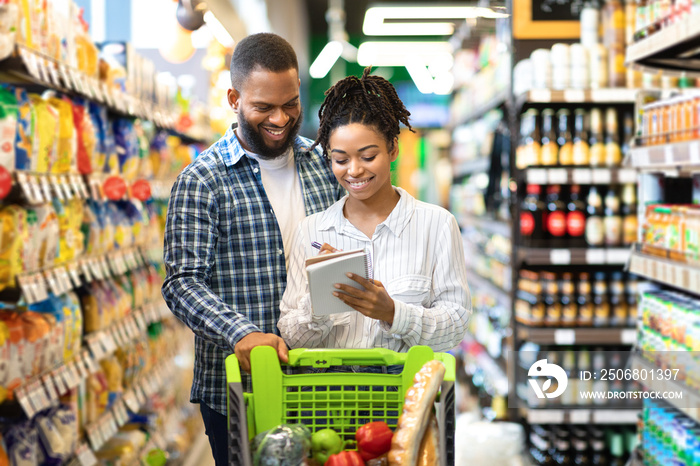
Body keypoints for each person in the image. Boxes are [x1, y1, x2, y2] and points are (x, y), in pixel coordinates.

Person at [162, 33, 342, 465]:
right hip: (238, 388)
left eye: (291, 103)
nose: (280, 118)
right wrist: (240, 332)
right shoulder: (202, 180)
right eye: (263, 107)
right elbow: (182, 283)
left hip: (322, 376)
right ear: (233, 98)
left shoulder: (324, 164)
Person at [278, 67, 471, 352]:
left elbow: (455, 327)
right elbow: (293, 338)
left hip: (404, 393)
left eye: (368, 156)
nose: (354, 171)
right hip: (332, 394)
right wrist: (319, 299)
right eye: (340, 160)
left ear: (393, 149)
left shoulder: (437, 224)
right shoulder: (312, 231)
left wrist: (393, 313)